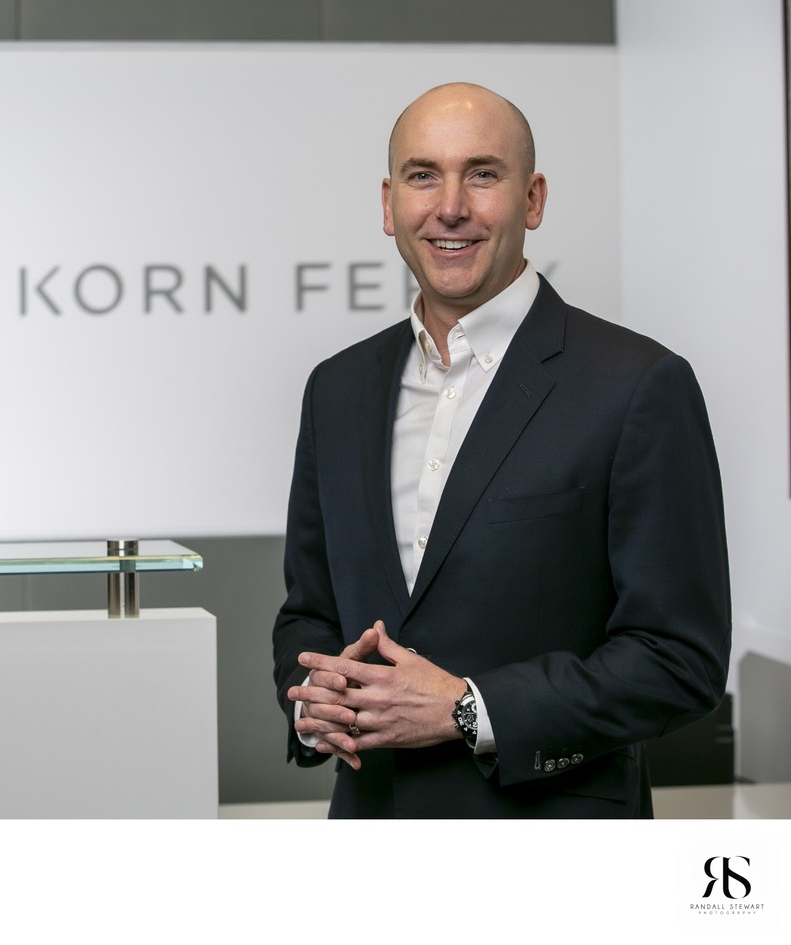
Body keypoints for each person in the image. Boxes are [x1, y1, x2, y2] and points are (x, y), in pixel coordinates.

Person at [272, 82, 731, 818]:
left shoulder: (638, 385)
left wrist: (468, 708)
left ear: (533, 199)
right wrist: (312, 700)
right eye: (423, 176)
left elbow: (680, 661)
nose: (450, 206)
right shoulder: (337, 389)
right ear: (389, 205)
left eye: (482, 174)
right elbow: (309, 612)